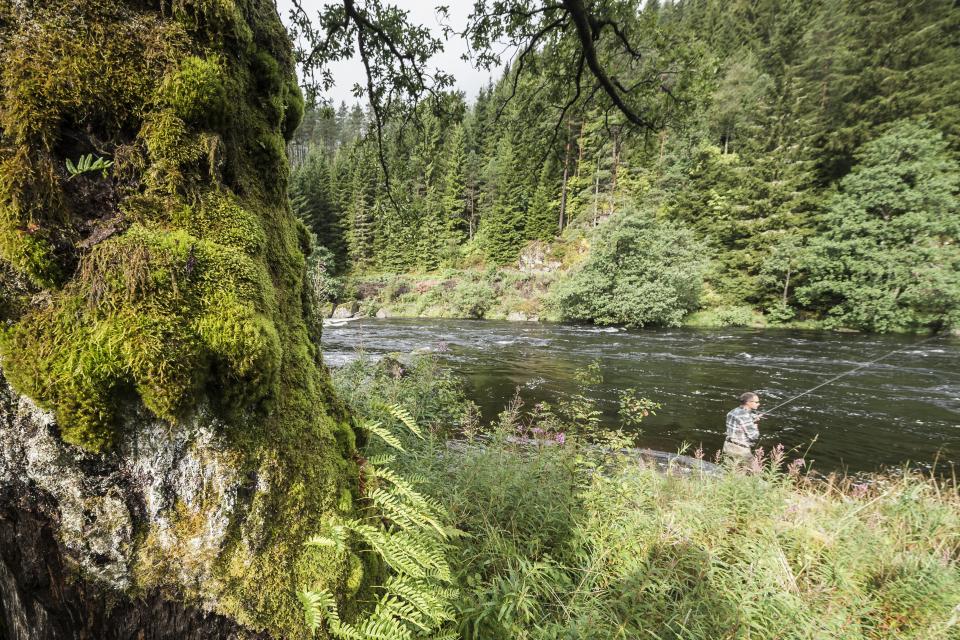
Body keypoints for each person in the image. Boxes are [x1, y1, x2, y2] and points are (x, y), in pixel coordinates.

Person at [724, 392, 761, 461]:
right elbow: (753, 436)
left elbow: (740, 422)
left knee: (730, 467)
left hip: (728, 446)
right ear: (748, 402)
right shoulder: (745, 416)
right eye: (756, 402)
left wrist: (752, 418)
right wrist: (755, 425)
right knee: (754, 468)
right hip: (740, 450)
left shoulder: (732, 411)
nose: (758, 404)